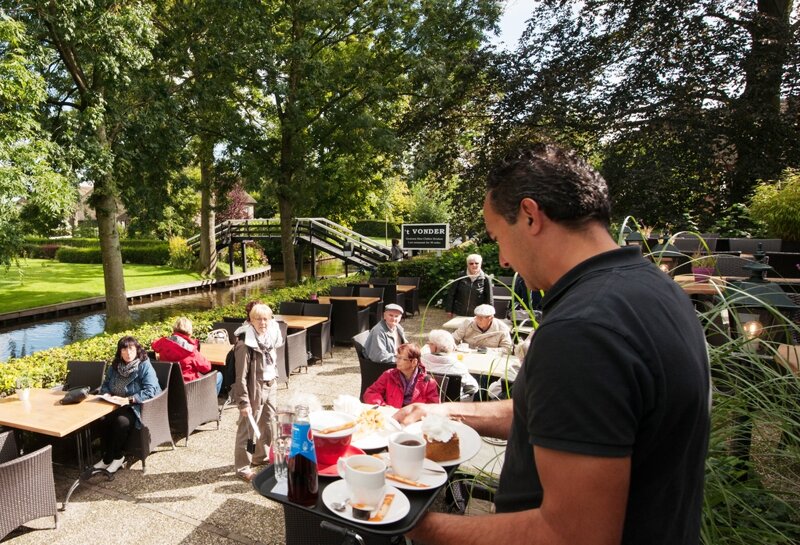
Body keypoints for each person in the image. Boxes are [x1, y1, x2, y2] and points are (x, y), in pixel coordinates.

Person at [395, 143, 710, 545]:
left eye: (497, 238)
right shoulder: (655, 288)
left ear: (530, 215)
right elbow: (558, 415)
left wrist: (408, 522)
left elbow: (572, 535)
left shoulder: (582, 331)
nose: (503, 260)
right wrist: (443, 411)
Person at [232, 303, 285, 482]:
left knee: (268, 422)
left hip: (271, 384)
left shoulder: (269, 336)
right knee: (247, 428)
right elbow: (240, 377)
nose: (262, 322)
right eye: (258, 319)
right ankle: (242, 467)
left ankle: (260, 457)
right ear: (251, 320)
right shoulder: (244, 343)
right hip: (255, 387)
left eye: (266, 319)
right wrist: (243, 402)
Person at [94, 336, 162, 474]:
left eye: (131, 349)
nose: (128, 353)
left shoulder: (144, 366)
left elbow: (151, 391)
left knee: (121, 422)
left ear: (137, 350)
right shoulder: (114, 366)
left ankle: (118, 457)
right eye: (124, 349)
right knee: (101, 419)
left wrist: (128, 400)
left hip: (138, 406)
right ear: (120, 352)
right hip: (116, 404)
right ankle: (107, 458)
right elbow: (106, 385)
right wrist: (106, 394)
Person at [151, 316, 223, 395]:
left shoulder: (163, 343)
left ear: (174, 329)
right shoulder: (191, 350)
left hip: (169, 387)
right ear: (190, 332)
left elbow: (154, 344)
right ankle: (208, 403)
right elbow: (207, 367)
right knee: (219, 376)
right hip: (190, 389)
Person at [363, 343, 440, 408]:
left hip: (415, 420)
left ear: (414, 362)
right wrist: (383, 405)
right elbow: (370, 393)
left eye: (401, 358)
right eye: (397, 357)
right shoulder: (389, 375)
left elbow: (433, 407)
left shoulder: (428, 382)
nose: (397, 361)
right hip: (393, 415)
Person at [421, 329, 479, 401]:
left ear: (434, 346)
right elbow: (473, 388)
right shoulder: (458, 367)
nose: (428, 345)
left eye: (429, 343)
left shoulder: (420, 362)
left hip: (425, 403)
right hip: (451, 406)